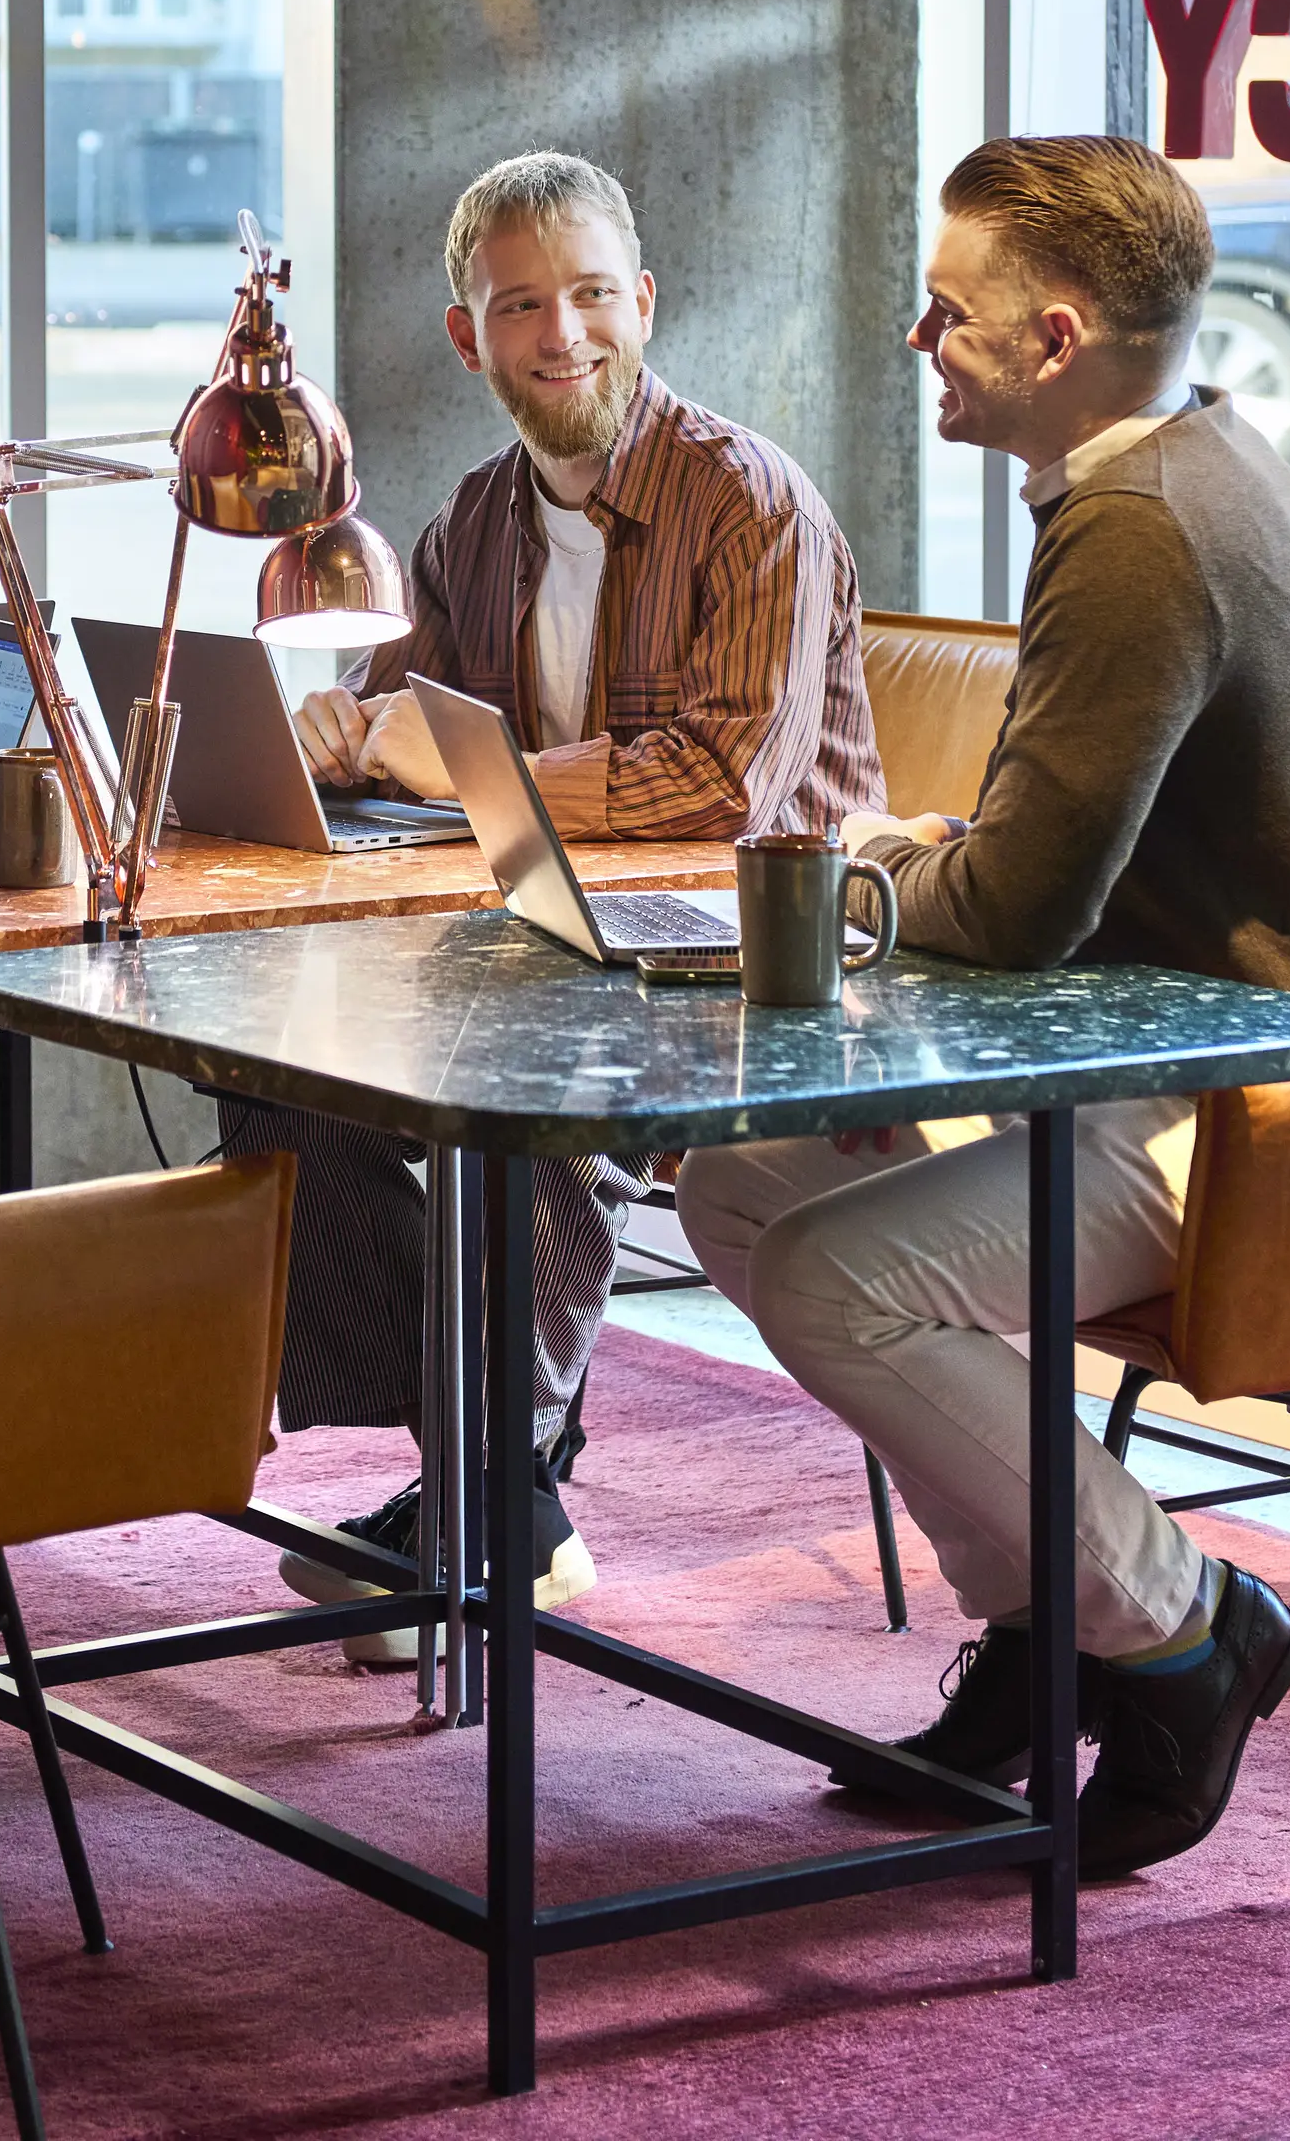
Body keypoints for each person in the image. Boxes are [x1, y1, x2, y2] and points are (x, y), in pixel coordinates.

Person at [675, 134, 1290, 1878]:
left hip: (1282, 1106)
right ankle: (1046, 1637)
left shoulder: (1135, 525)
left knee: (824, 1268)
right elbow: (1059, 854)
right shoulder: (1178, 462)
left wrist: (871, 865)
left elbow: (1020, 910)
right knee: (736, 1187)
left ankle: (1182, 1627)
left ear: (1055, 337)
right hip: (1182, 1054)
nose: (915, 337)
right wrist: (940, 852)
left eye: (944, 312)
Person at [229, 149, 883, 1658]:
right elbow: (413, 729)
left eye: (591, 296)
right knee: (274, 1065)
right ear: (469, 338)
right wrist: (343, 726)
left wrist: (467, 769)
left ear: (644, 304)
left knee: (525, 1081)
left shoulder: (748, 503)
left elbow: (722, 785)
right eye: (521, 306)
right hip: (555, 942)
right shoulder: (471, 525)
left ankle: (494, 1499)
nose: (562, 334)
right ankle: (489, 1480)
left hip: (768, 966)